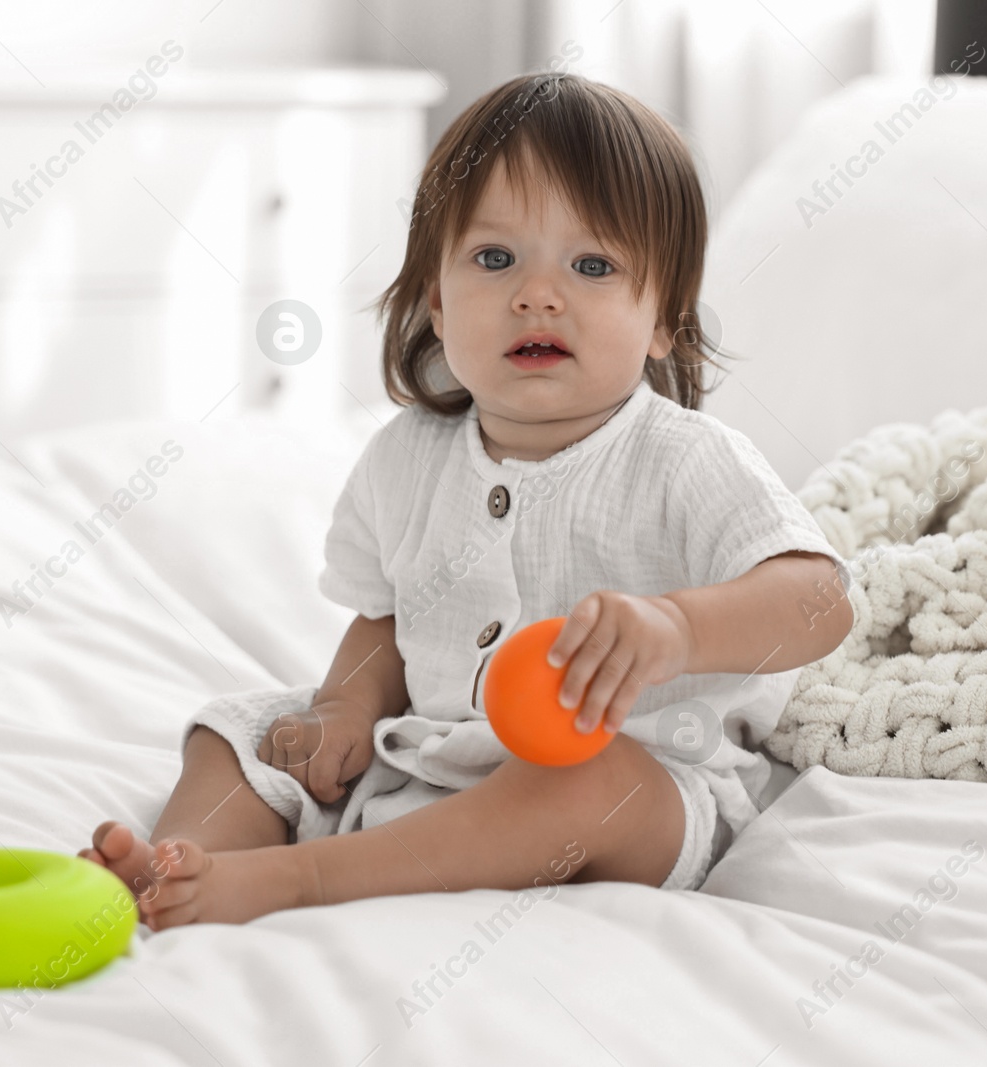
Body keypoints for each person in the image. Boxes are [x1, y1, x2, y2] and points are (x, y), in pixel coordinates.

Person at [81, 71, 854, 927]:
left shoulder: (683, 459)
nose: (536, 293)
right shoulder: (406, 458)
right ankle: (172, 869)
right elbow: (386, 620)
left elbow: (818, 601)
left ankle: (295, 882)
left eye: (592, 265)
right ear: (438, 303)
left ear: (664, 318)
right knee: (237, 728)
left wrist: (678, 628)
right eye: (494, 259)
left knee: (584, 784)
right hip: (427, 756)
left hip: (636, 788)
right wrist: (345, 706)